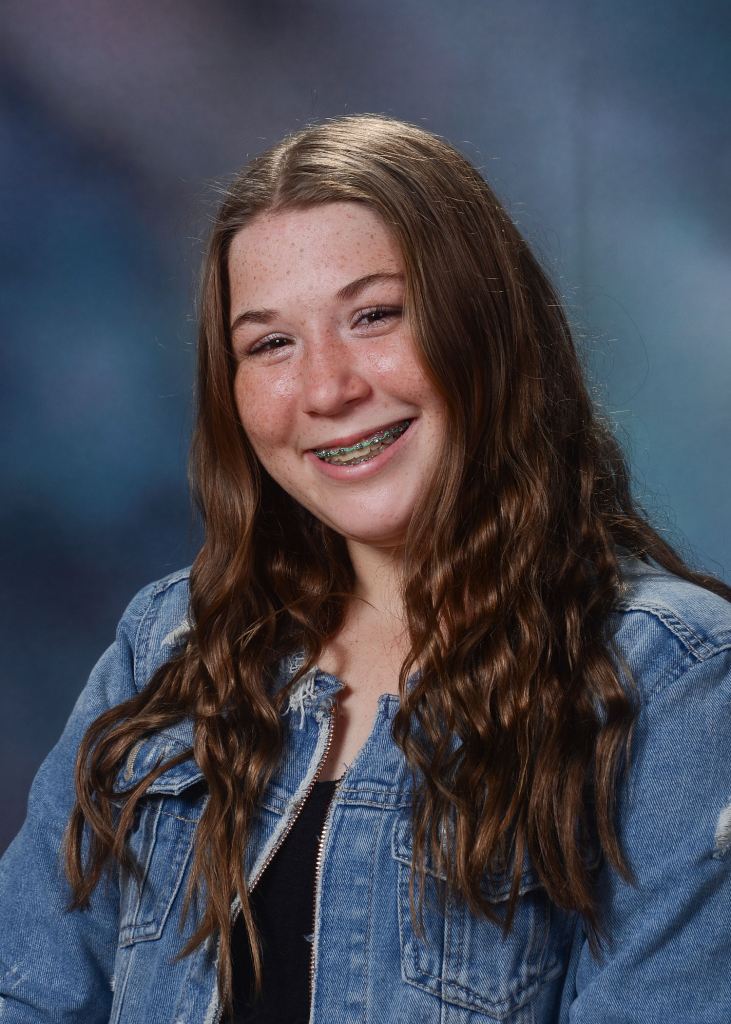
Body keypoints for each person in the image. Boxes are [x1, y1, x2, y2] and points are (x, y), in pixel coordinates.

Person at [1, 113, 730, 1024]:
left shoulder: (672, 680)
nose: (328, 388)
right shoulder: (170, 649)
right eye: (270, 343)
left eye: (374, 316)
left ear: (487, 329)